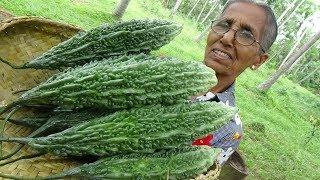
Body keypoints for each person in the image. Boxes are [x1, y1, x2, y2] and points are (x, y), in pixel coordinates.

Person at [191, 0, 278, 179]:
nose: (226, 38)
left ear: (259, 60)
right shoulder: (161, 73)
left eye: (246, 35)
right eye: (224, 25)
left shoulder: (229, 131)